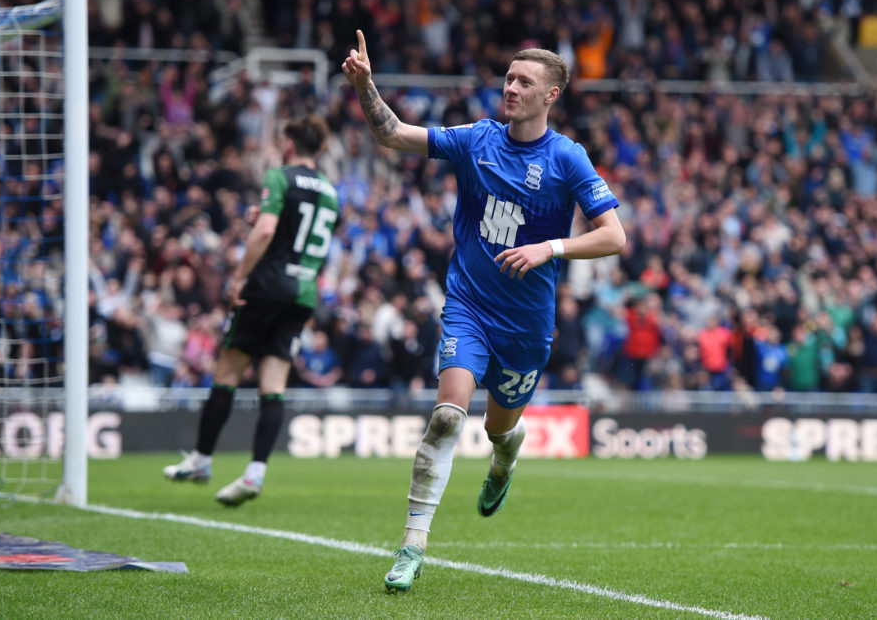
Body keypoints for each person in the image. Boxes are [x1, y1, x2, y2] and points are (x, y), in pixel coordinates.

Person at [342, 30, 626, 590]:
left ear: (551, 96)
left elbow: (614, 236)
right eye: (509, 78)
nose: (511, 87)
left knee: (501, 430)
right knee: (448, 417)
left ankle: (504, 459)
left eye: (525, 81)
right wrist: (365, 85)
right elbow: (393, 134)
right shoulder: (477, 139)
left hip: (526, 326)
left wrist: (552, 247)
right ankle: (412, 546)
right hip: (469, 306)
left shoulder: (567, 157)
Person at [162, 115, 340, 506]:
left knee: (226, 372)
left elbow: (264, 232)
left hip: (265, 287)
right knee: (273, 384)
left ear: (290, 143)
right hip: (302, 292)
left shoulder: (280, 176)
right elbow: (305, 234)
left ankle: (201, 459)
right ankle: (255, 472)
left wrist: (239, 277)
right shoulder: (330, 190)